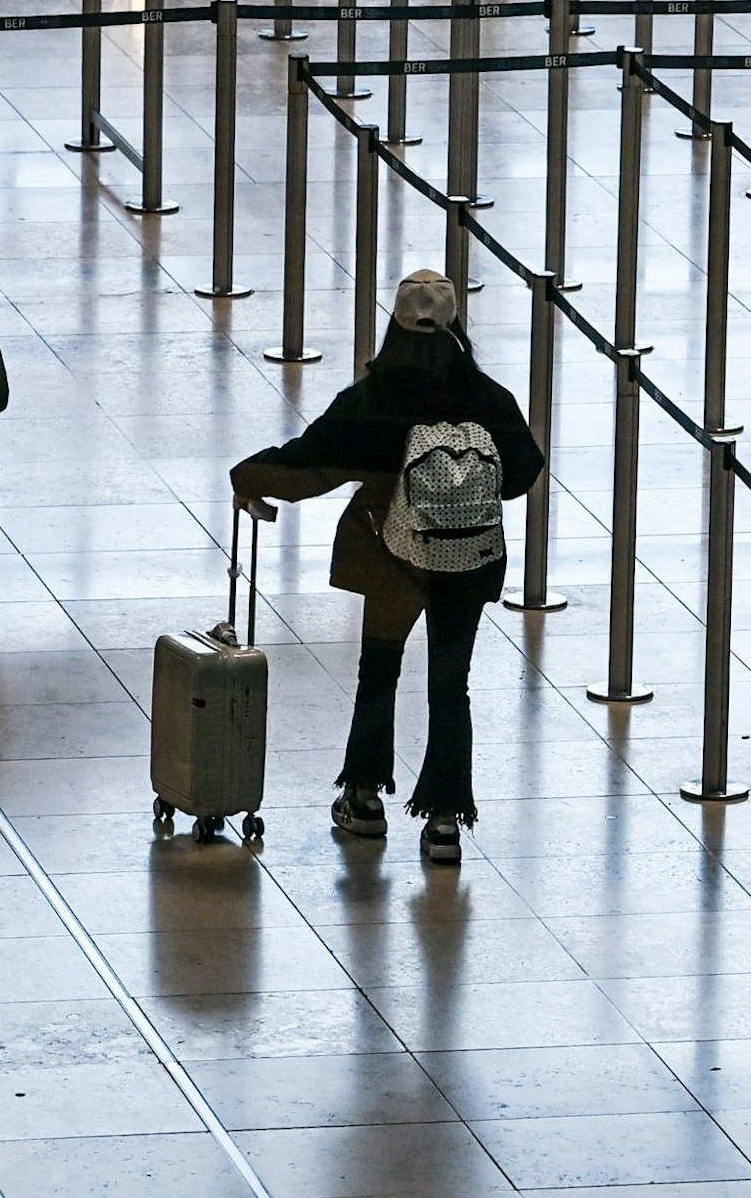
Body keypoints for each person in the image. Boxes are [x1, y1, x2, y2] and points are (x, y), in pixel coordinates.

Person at [231, 272, 544, 864]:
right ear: (456, 326)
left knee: (380, 668)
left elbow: (312, 461)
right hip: (468, 559)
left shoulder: (375, 397)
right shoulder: (489, 399)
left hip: (391, 553)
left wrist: (249, 477)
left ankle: (366, 798)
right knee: (452, 686)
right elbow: (524, 472)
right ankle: (446, 822)